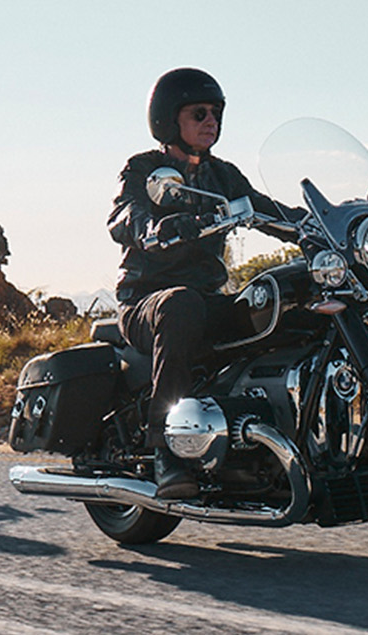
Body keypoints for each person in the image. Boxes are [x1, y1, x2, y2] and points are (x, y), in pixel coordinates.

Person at [107, 67, 295, 499]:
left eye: (216, 112)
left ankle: (271, 439)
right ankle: (166, 451)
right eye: (199, 113)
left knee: (282, 301)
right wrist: (153, 228)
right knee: (181, 304)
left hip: (209, 299)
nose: (211, 120)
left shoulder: (223, 176)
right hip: (146, 303)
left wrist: (324, 225)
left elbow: (267, 211)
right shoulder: (145, 168)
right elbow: (122, 214)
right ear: (169, 118)